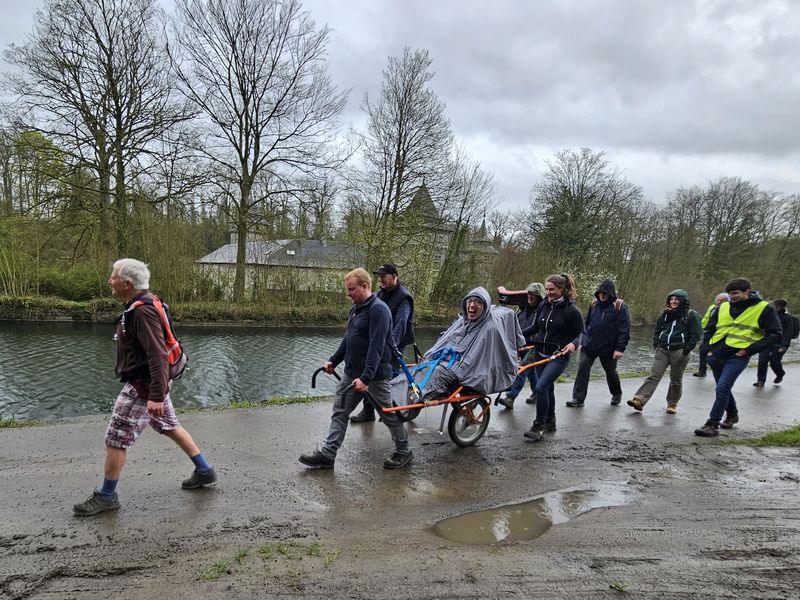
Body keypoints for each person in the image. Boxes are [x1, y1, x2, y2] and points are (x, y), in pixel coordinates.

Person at [73, 259, 217, 516]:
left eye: (113, 277)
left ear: (127, 284)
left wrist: (156, 395)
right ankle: (204, 471)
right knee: (170, 426)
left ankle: (107, 496)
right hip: (153, 385)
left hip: (143, 388)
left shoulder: (141, 312)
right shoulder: (149, 301)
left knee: (116, 439)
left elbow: (158, 355)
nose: (110, 281)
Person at [299, 268, 413, 470]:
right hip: (352, 373)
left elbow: (377, 347)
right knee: (340, 410)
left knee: (387, 414)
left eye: (352, 289)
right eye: (348, 289)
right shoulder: (356, 308)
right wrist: (334, 360)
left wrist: (366, 379)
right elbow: (349, 339)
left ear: (364, 286)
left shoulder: (379, 310)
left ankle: (404, 451)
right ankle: (328, 454)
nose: (348, 293)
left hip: (375, 377)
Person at [695, 279, 782, 436]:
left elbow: (775, 334)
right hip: (716, 355)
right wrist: (708, 349)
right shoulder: (723, 307)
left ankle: (712, 423)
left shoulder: (764, 308)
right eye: (729, 293)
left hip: (738, 356)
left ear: (747, 291)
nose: (731, 296)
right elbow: (709, 329)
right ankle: (733, 414)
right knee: (723, 388)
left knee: (722, 387)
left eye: (735, 293)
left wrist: (748, 350)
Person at [415, 287, 524, 400]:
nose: (472, 305)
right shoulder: (462, 321)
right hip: (448, 361)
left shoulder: (489, 329)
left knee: (437, 373)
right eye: (470, 301)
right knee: (423, 366)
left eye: (477, 302)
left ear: (484, 306)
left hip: (458, 369)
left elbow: (474, 361)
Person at [521, 273, 585, 442]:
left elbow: (581, 334)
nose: (549, 293)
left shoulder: (571, 310)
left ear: (562, 289)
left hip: (558, 356)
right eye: (547, 289)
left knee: (541, 388)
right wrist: (517, 334)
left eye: (552, 290)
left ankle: (539, 425)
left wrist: (573, 344)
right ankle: (551, 421)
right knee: (547, 388)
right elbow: (535, 327)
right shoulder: (543, 305)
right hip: (540, 353)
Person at [350, 263, 415, 423]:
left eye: (384, 276)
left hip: (394, 344)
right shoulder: (380, 294)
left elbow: (401, 324)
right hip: (379, 340)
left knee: (387, 378)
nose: (381, 280)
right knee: (370, 372)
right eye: (379, 276)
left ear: (394, 277)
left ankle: (395, 413)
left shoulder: (404, 297)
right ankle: (368, 411)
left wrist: (389, 347)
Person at [627, 289, 702, 415]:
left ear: (683, 301)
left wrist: (687, 349)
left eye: (676, 299)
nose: (673, 301)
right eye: (671, 299)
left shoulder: (691, 315)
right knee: (654, 375)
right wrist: (656, 343)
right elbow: (657, 330)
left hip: (679, 351)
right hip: (662, 349)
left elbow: (696, 334)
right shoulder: (665, 314)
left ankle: (672, 404)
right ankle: (639, 400)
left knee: (676, 379)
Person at [568, 279, 631, 407]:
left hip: (609, 348)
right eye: (600, 293)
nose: (602, 295)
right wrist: (582, 340)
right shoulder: (594, 305)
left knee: (611, 372)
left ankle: (616, 393)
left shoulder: (620, 307)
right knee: (582, 369)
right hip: (590, 345)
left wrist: (619, 349)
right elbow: (587, 325)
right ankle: (578, 399)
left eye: (605, 293)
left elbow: (624, 330)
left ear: (611, 294)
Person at [496, 282, 545, 409]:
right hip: (522, 344)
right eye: (529, 294)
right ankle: (537, 393)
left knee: (523, 368)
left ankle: (510, 397)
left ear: (539, 296)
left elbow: (537, 328)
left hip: (535, 346)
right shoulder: (522, 310)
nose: (530, 297)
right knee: (531, 371)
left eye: (534, 295)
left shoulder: (542, 310)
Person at [753, 298, 792, 387]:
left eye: (774, 306)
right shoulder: (768, 315)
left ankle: (780, 374)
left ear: (779, 307)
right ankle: (760, 381)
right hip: (766, 341)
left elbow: (788, 333)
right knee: (762, 360)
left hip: (780, 344)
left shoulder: (787, 318)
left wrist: (784, 346)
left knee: (774, 361)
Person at [694, 292, 729, 377]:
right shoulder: (712, 308)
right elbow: (706, 319)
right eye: (718, 300)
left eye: (722, 300)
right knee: (702, 351)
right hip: (707, 333)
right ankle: (702, 371)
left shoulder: (728, 309)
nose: (719, 301)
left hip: (718, 335)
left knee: (715, 354)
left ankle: (720, 371)